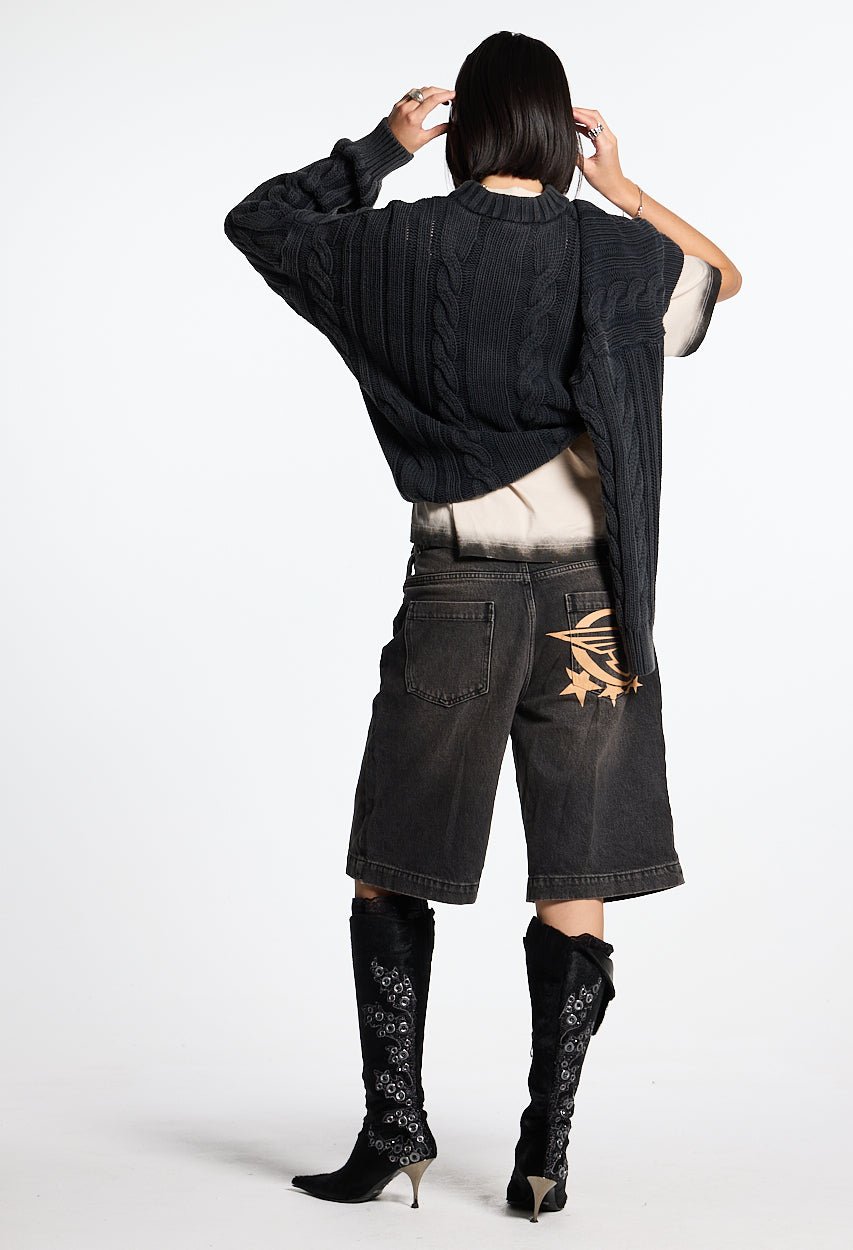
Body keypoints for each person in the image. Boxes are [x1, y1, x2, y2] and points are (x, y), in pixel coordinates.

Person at [223, 30, 741, 1222]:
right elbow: (722, 280)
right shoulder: (616, 255)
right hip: (593, 604)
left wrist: (381, 149)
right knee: (579, 865)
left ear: (463, 130)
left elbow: (261, 222)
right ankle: (543, 1155)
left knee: (395, 857)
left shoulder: (390, 245)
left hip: (457, 591)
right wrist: (621, 188)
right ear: (557, 128)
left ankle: (394, 1128)